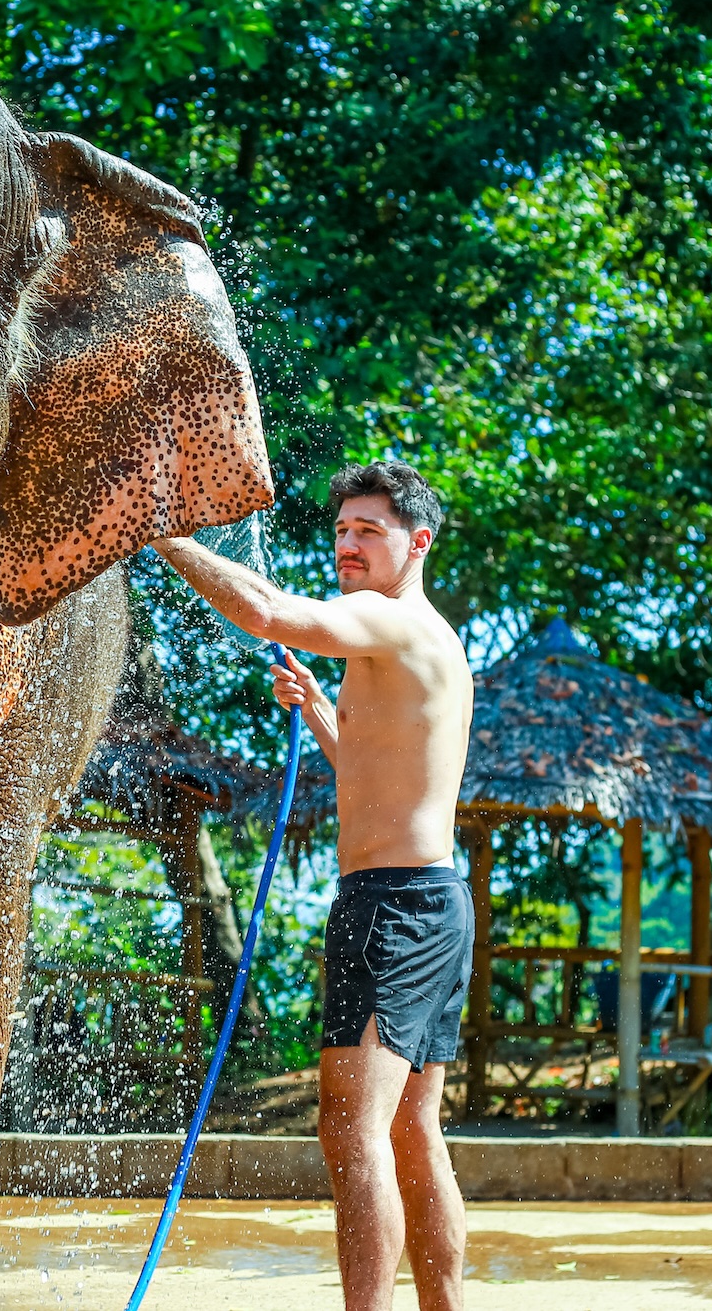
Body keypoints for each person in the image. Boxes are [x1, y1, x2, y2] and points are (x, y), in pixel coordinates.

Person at [151, 461, 473, 1311]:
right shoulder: (427, 637)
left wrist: (158, 530)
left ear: (418, 541)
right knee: (411, 1131)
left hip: (390, 908)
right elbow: (380, 780)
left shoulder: (381, 619)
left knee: (351, 1130)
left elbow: (261, 610)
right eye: (340, 531)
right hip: (435, 900)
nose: (348, 546)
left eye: (369, 531)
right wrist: (323, 717)